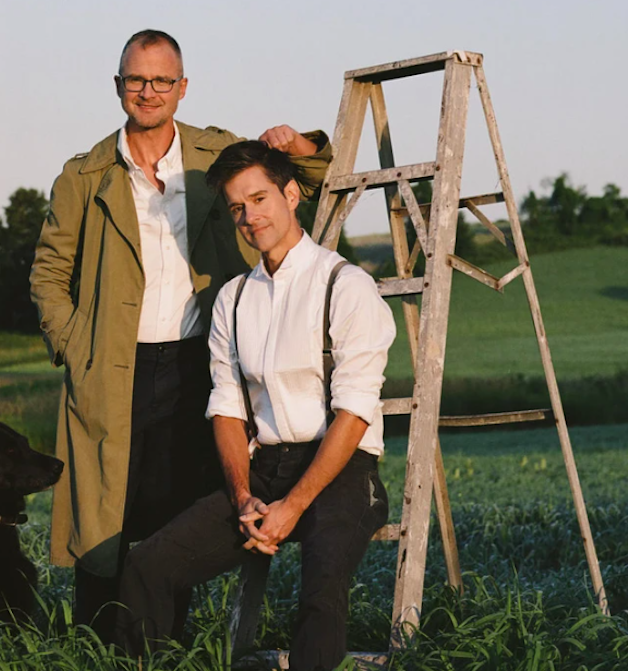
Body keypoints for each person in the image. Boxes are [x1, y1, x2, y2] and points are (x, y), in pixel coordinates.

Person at [29, 29, 331, 639]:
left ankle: (166, 643)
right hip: (112, 366)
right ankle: (95, 645)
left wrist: (300, 143)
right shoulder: (84, 174)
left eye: (162, 80)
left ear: (182, 88)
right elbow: (48, 273)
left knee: (177, 511)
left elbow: (306, 179)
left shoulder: (215, 153)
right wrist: (74, 349)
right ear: (119, 87)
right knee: (106, 510)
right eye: (137, 79)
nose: (149, 91)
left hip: (201, 361)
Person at [113, 141, 396, 671]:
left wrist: (295, 506)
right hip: (262, 471)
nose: (250, 217)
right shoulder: (234, 298)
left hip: (339, 469)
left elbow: (354, 413)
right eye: (238, 207)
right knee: (149, 564)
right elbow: (226, 409)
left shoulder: (345, 285)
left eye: (260, 199)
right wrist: (243, 497)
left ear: (292, 194)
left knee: (322, 583)